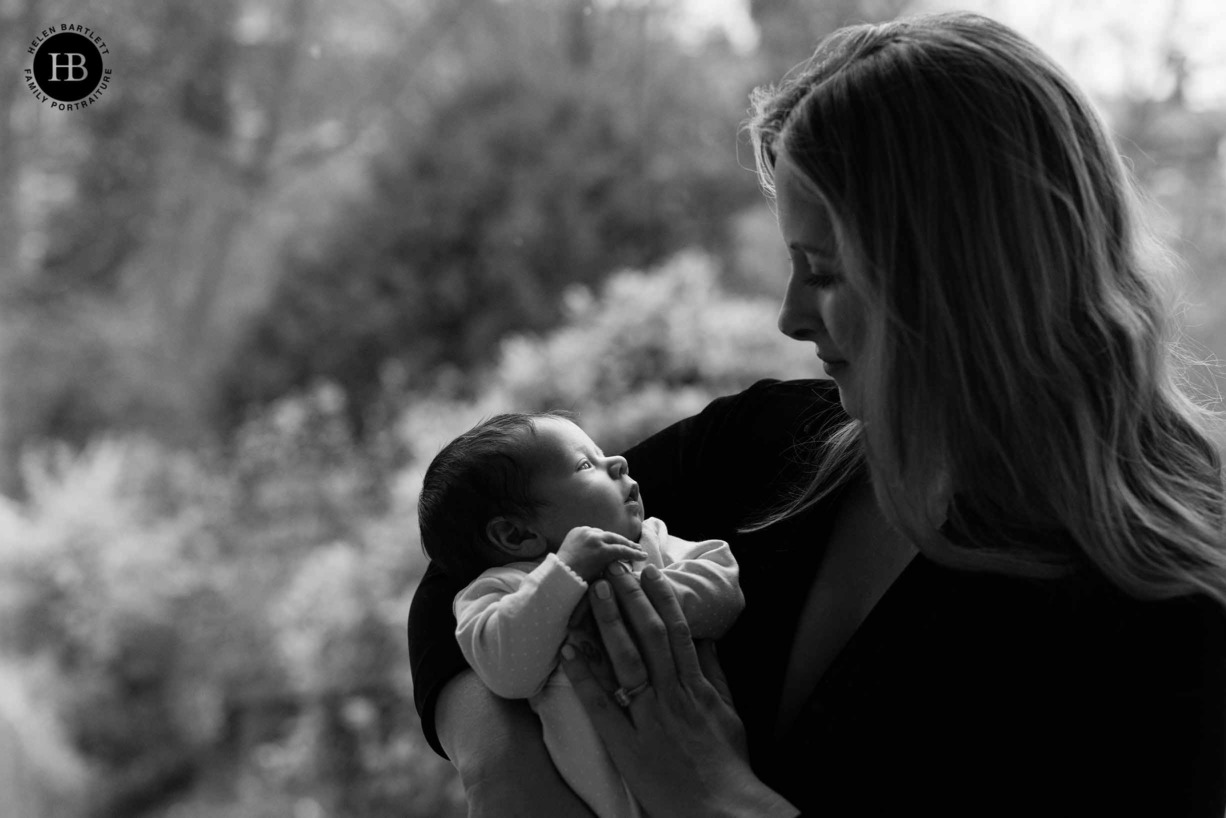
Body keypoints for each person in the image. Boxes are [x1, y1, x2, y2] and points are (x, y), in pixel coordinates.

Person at [408, 11, 1226, 816]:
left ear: (956, 277)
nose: (791, 317)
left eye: (825, 272)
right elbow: (472, 549)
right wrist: (498, 758)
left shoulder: (1162, 609)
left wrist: (718, 799)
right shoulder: (761, 450)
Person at [417, 411, 745, 818]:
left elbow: (724, 592)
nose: (619, 462)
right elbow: (506, 671)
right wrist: (565, 575)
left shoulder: (650, 542)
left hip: (709, 780)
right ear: (515, 534)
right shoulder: (501, 590)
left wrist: (625, 600)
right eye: (586, 464)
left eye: (602, 454)